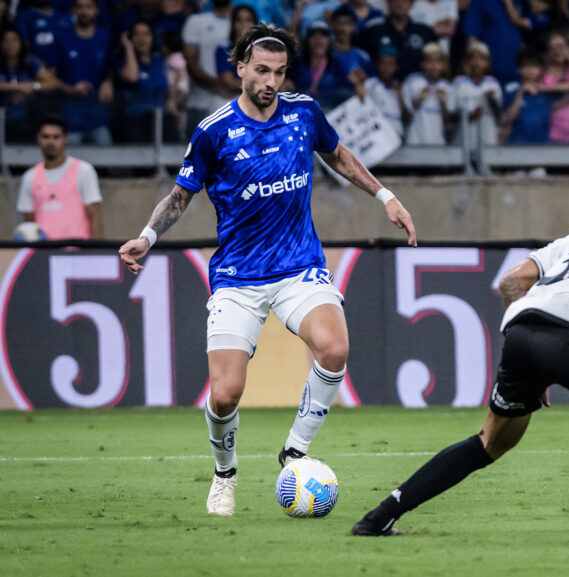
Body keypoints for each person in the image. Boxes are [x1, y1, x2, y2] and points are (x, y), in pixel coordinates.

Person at [117, 24, 418, 517]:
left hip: (299, 266)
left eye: (278, 72)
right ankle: (224, 476)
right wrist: (146, 237)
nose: (270, 81)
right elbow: (179, 197)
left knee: (335, 347)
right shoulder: (214, 131)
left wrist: (387, 197)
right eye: (261, 71)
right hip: (238, 276)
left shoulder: (304, 112)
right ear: (239, 68)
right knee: (225, 392)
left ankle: (294, 453)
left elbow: (337, 154)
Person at [350, 181, 569, 537]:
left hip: (523, 332)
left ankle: (378, 518)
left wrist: (534, 361)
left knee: (490, 443)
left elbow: (511, 283)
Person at [17, 115, 103, 240]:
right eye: (46, 137)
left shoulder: (83, 170)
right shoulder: (29, 177)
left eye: (56, 137)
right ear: (38, 139)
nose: (50, 142)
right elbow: (29, 224)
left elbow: (94, 217)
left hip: (77, 253)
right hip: (43, 255)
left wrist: (96, 253)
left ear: (65, 139)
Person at [54, 0, 114, 145]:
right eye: (80, 7)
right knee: (70, 162)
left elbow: (111, 68)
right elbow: (50, 75)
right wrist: (70, 89)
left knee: (107, 156)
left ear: (96, 10)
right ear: (73, 10)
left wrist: (108, 82)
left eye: (89, 7)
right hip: (70, 115)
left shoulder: (105, 37)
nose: (84, 11)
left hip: (98, 113)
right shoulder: (62, 38)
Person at [182, 0, 230, 135]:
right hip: (200, 104)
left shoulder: (240, 24)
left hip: (234, 107)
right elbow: (191, 64)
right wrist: (219, 86)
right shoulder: (196, 22)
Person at [0, 28, 57, 143]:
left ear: (21, 43)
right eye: (6, 41)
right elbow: (20, 88)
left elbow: (52, 82)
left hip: (25, 118)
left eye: (14, 40)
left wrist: (34, 86)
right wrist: (19, 87)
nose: (10, 44)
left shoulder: (30, 61)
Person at [117, 21, 170, 143]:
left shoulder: (159, 60)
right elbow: (132, 77)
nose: (142, 39)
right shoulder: (122, 61)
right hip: (135, 122)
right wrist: (128, 48)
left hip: (162, 120)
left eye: (146, 34)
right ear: (130, 38)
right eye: (137, 34)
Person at [357, 0, 437, 80]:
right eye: (395, 0)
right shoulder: (372, 31)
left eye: (404, 1)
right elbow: (362, 63)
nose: (399, 3)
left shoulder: (424, 32)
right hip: (382, 87)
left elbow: (436, 62)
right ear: (388, 2)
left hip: (418, 87)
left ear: (411, 4)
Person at [401, 42, 452, 144]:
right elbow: (405, 117)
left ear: (443, 64)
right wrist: (419, 100)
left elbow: (450, 124)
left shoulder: (447, 86)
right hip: (414, 141)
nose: (434, 65)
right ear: (422, 63)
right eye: (429, 61)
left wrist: (443, 104)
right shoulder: (412, 81)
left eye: (438, 61)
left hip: (438, 143)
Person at [453, 42, 502, 147]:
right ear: (466, 62)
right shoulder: (458, 83)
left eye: (481, 58)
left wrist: (491, 99)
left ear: (488, 62)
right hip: (464, 141)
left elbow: (499, 114)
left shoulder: (493, 83)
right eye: (473, 58)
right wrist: (470, 116)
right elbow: (451, 115)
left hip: (488, 139)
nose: (477, 62)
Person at [464, 0, 522, 85]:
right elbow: (472, 36)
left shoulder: (523, 2)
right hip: (491, 68)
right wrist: (472, 67)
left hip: (520, 68)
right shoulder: (479, 2)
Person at [502, 49, 553, 144]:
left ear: (541, 69)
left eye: (534, 66)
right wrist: (521, 92)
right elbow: (507, 119)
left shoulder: (548, 90)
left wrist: (540, 89)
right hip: (517, 144)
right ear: (518, 70)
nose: (530, 70)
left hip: (543, 145)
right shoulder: (511, 89)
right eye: (526, 66)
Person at [14, 0, 72, 69]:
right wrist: (37, 65)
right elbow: (23, 50)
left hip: (65, 68)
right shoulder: (24, 18)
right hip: (38, 71)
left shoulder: (65, 18)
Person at [215, 5, 258, 97]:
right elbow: (229, 82)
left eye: (248, 20)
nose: (244, 24)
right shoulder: (224, 50)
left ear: (254, 24)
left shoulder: (262, 51)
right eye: (239, 20)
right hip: (230, 100)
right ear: (233, 24)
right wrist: (258, 87)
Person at [363, 45, 405, 138]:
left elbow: (406, 119)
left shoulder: (399, 88)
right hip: (378, 137)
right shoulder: (369, 85)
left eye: (391, 64)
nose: (387, 68)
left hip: (397, 136)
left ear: (396, 67)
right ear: (377, 64)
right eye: (384, 64)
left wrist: (400, 97)